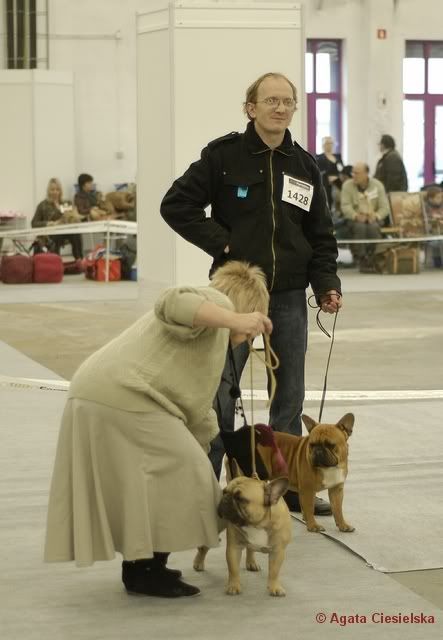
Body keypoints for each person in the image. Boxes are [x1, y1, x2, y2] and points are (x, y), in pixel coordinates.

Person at [160, 72, 342, 515]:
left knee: (289, 396)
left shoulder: (305, 165)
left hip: (289, 295)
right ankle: (205, 485)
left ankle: (288, 488)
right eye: (271, 100)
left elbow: (320, 234)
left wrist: (326, 284)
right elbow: (176, 205)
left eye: (287, 101)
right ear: (251, 108)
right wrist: (223, 243)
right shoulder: (223, 156)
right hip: (236, 295)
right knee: (220, 391)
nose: (280, 108)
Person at [44, 261, 272, 598]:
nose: (252, 335)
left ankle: (144, 568)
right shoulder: (216, 305)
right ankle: (146, 570)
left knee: (146, 485)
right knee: (189, 471)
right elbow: (172, 300)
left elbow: (196, 410)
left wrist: (224, 442)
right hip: (122, 395)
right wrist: (236, 319)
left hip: (102, 393)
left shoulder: (210, 337)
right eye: (255, 321)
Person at [340, 163, 389, 271]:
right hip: (354, 218)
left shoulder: (378, 185)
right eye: (353, 172)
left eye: (357, 173)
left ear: (366, 173)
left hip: (373, 218)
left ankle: (374, 256)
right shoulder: (347, 185)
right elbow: (345, 206)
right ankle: (361, 258)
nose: (353, 175)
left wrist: (376, 216)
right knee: (360, 227)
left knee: (373, 227)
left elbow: (385, 207)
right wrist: (355, 216)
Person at [31, 178, 83, 259]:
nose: (55, 192)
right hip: (50, 234)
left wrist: (72, 216)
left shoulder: (66, 203)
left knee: (76, 233)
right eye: (52, 190)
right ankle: (56, 261)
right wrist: (48, 223)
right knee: (55, 235)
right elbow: (34, 223)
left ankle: (79, 259)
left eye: (57, 189)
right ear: (48, 191)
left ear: (60, 191)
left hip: (65, 231)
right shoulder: (43, 205)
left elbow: (73, 219)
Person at [316, 136, 344, 211]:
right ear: (323, 145)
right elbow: (318, 172)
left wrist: (338, 177)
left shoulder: (338, 157)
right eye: (327, 143)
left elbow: (343, 170)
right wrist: (328, 177)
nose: (329, 145)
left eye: (331, 143)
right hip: (326, 183)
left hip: (339, 182)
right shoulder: (319, 158)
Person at [424, 186, 443, 268]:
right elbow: (426, 220)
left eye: (441, 197)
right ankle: (437, 260)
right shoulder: (425, 207)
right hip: (431, 233)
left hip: (440, 231)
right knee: (439, 241)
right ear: (430, 198)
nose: (441, 199)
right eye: (438, 197)